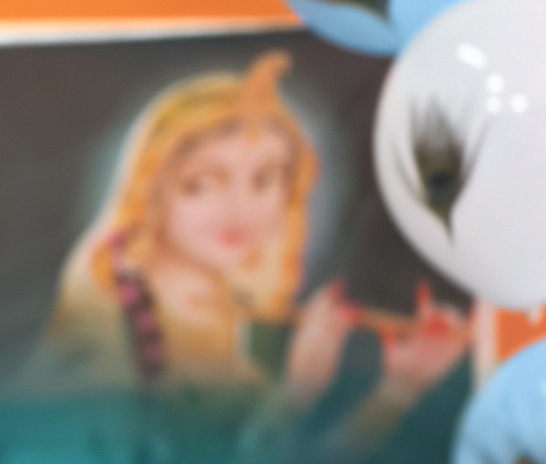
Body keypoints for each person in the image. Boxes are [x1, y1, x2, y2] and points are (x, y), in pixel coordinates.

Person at [39, 51, 464, 417]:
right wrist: (302, 388)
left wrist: (400, 388)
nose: (240, 210)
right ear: (149, 191)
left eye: (266, 181)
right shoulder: (101, 338)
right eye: (203, 183)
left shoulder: (226, 326)